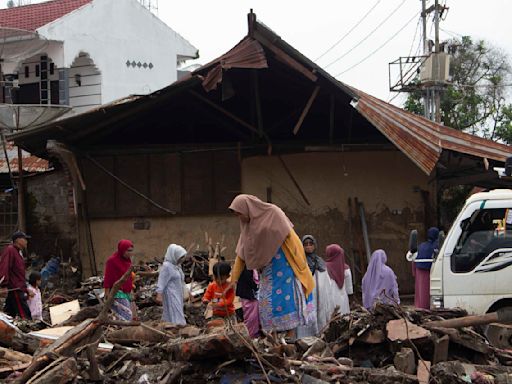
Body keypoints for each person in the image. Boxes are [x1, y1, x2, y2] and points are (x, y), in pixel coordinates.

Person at [229, 194, 315, 336]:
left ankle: (290, 339)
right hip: (267, 272)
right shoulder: (247, 227)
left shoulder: (273, 213)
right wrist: (234, 279)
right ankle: (274, 341)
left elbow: (292, 238)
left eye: (240, 213)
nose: (240, 217)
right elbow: (241, 254)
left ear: (247, 208)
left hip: (284, 265)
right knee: (267, 305)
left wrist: (301, 265)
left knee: (286, 302)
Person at [297, 235, 326, 338]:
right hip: (305, 292)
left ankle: (319, 334)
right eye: (305, 244)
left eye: (311, 244)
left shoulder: (319, 261)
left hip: (318, 292)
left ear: (315, 246)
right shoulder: (300, 260)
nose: (308, 247)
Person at [0, 231, 32, 319]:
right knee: (25, 315)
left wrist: (26, 288)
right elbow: (4, 267)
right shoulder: (10, 250)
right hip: (15, 289)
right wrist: (3, 285)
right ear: (18, 240)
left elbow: (19, 273)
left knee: (8, 315)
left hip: (18, 287)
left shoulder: (18, 253)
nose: (26, 241)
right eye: (24, 239)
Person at [103, 239, 136, 321]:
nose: (130, 253)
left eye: (131, 251)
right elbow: (108, 278)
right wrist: (107, 293)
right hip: (117, 293)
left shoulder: (128, 261)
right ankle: (124, 332)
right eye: (128, 251)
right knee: (126, 315)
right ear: (122, 250)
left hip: (127, 292)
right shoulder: (112, 261)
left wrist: (131, 291)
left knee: (127, 315)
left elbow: (129, 278)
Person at [155, 244, 188, 325]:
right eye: (180, 257)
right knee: (175, 311)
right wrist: (159, 294)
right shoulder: (167, 266)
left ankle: (172, 326)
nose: (182, 259)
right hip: (171, 293)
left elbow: (182, 280)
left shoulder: (177, 266)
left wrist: (187, 292)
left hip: (178, 293)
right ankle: (178, 327)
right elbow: (161, 281)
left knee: (177, 311)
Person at [413, 227, 439, 309]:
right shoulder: (437, 246)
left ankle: (420, 307)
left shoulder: (421, 246)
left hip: (419, 271)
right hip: (431, 271)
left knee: (421, 291)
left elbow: (414, 259)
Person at [236, 266, 260, 338]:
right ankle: (251, 334)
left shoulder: (250, 268)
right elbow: (251, 282)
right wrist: (256, 287)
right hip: (248, 295)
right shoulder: (247, 268)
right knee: (251, 316)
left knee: (253, 315)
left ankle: (254, 332)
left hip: (250, 295)